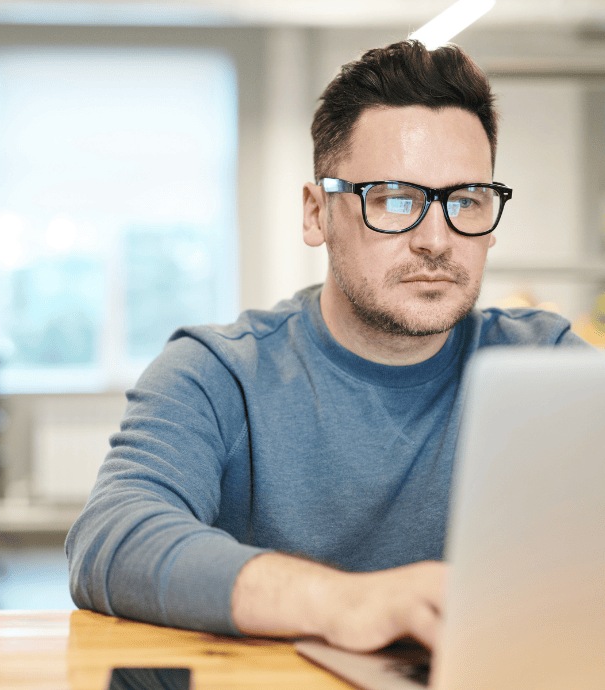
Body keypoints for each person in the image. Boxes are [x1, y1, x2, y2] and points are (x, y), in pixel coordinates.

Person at [64, 39, 593, 652]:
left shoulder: (546, 364)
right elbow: (112, 538)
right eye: (396, 199)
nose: (436, 239)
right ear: (317, 214)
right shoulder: (219, 373)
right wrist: (341, 602)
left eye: (466, 200)